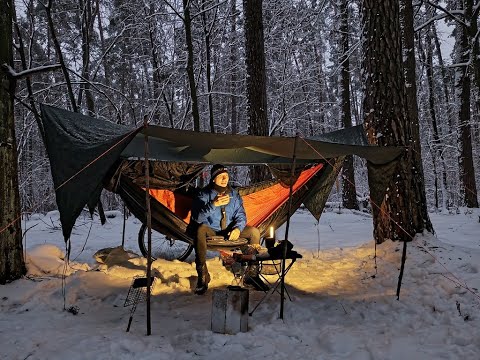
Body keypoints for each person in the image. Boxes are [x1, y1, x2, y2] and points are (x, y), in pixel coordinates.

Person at [189, 164, 269, 295]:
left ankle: (251, 276)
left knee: (254, 232)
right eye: (220, 176)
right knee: (200, 230)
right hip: (212, 230)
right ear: (213, 178)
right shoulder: (203, 194)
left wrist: (238, 228)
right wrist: (213, 204)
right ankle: (202, 275)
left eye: (226, 175)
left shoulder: (234, 194)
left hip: (230, 230)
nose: (224, 178)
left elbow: (241, 215)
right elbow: (197, 217)